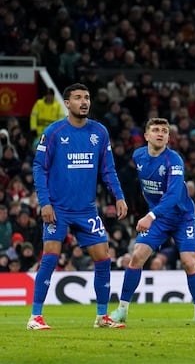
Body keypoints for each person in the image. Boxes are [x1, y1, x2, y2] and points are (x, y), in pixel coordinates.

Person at [28, 83, 128, 330]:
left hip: (86, 210)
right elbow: (39, 167)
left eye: (87, 97)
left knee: (103, 259)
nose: (84, 102)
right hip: (58, 209)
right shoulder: (53, 132)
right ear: (67, 103)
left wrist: (119, 196)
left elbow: (108, 169)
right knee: (50, 258)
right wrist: (45, 203)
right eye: (78, 98)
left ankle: (102, 317)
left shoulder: (100, 132)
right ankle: (35, 317)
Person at [109, 118, 195, 326]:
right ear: (146, 136)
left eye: (164, 131)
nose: (160, 133)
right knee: (137, 256)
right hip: (158, 218)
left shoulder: (174, 160)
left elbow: (173, 196)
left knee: (189, 261)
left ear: (168, 137)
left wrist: (150, 215)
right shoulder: (138, 156)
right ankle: (122, 310)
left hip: (182, 217)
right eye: (155, 130)